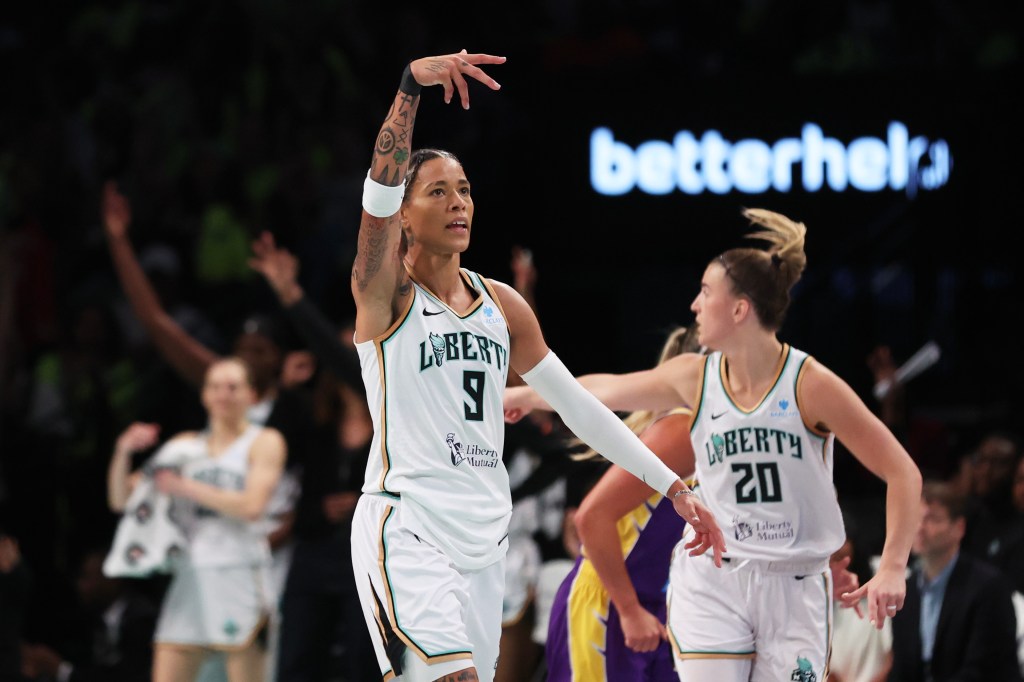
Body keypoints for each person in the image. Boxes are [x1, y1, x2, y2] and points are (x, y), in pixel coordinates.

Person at [347, 51, 724, 682]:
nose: (458, 202)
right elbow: (375, 199)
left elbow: (578, 406)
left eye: (464, 189)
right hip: (407, 525)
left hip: (485, 535)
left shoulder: (504, 306)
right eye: (437, 191)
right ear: (405, 215)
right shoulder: (387, 294)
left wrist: (673, 486)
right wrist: (410, 87)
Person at [504, 208, 923, 682]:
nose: (694, 305)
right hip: (715, 579)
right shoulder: (696, 379)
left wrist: (891, 566)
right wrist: (525, 393)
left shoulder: (810, 385)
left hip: (795, 584)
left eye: (706, 292)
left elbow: (902, 472)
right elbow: (605, 389)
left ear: (740, 308)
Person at [106, 357, 286, 682]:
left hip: (240, 573)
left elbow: (252, 506)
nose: (223, 394)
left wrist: (186, 487)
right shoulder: (183, 447)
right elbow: (122, 500)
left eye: (233, 387)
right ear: (204, 395)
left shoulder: (264, 441)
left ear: (251, 395)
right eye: (215, 386)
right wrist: (123, 451)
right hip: (189, 575)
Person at [545, 324, 701, 682]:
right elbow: (591, 517)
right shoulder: (684, 429)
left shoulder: (719, 434)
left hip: (659, 610)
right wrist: (629, 609)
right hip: (612, 605)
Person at [888, 480, 1021, 682]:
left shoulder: (988, 587)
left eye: (932, 519)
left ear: (959, 528)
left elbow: (984, 669)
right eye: (916, 518)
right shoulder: (905, 590)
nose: (920, 528)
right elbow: (901, 670)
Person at [20, 546, 159, 682]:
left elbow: (126, 676)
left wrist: (62, 671)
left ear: (112, 579)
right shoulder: (90, 617)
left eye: (87, 577)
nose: (79, 585)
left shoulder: (143, 619)